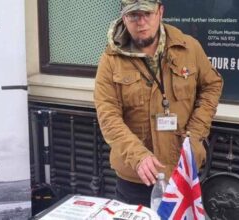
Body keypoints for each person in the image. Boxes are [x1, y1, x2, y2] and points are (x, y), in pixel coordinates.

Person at [94, 0, 223, 207]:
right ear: (124, 18)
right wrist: (138, 156)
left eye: (147, 13)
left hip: (183, 168)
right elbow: (108, 115)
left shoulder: (189, 47)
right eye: (133, 16)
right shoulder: (111, 59)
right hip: (136, 177)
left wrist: (196, 134)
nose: (141, 22)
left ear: (160, 12)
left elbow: (212, 85)